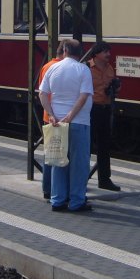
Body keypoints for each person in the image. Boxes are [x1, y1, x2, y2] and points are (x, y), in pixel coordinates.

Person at [38, 39, 93, 212]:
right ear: (79, 52)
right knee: (79, 164)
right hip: (79, 122)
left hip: (57, 123)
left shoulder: (53, 68)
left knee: (58, 161)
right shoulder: (83, 69)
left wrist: (51, 115)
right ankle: (76, 201)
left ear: (65, 50)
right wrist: (71, 115)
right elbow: (84, 96)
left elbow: (42, 94)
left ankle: (57, 200)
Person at [88, 41, 121, 191]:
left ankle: (104, 179)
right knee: (87, 146)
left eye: (109, 51)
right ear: (96, 54)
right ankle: (82, 179)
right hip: (91, 109)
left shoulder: (110, 68)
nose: (108, 54)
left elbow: (114, 91)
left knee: (105, 145)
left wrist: (116, 88)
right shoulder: (87, 68)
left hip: (106, 108)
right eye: (105, 51)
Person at [38, 40, 66, 200]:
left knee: (50, 153)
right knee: (57, 154)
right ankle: (53, 188)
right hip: (56, 116)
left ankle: (47, 188)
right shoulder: (58, 67)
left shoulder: (46, 66)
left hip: (47, 115)